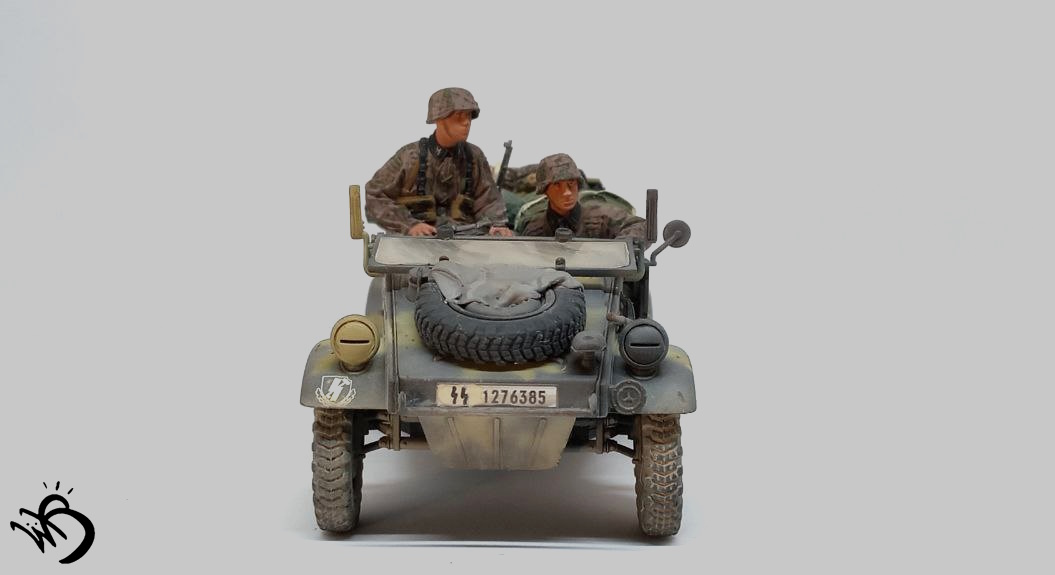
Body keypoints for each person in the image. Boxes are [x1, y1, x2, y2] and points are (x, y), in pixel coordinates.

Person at [364, 87, 512, 237]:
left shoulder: (474, 156)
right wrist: (409, 224)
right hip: (415, 242)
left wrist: (496, 224)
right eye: (459, 117)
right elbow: (375, 195)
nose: (466, 123)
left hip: (465, 240)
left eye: (468, 116)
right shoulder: (410, 157)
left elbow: (488, 200)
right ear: (439, 119)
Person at [514, 153, 646, 240]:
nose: (567, 192)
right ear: (545, 191)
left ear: (578, 184)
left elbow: (639, 225)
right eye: (557, 185)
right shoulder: (535, 229)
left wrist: (621, 248)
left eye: (571, 183)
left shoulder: (602, 218)